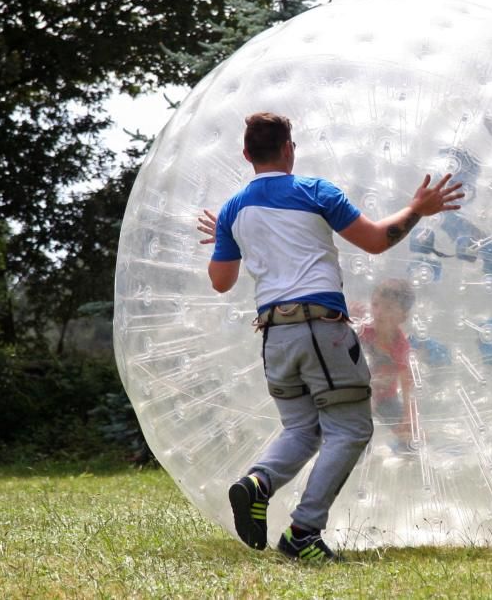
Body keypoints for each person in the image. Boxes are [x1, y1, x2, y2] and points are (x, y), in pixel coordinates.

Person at [197, 112, 462, 562]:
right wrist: (417, 209)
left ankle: (257, 483)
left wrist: (231, 236)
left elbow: (221, 281)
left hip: (274, 337)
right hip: (319, 329)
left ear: (246, 155)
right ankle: (303, 531)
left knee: (302, 427)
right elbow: (377, 240)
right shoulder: (314, 191)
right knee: (352, 427)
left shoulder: (233, 209)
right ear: (288, 149)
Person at [360, 278, 418, 451]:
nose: (379, 312)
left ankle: (401, 450)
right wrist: (346, 315)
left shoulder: (400, 345)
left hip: (386, 398)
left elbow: (407, 385)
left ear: (403, 316)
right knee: (357, 441)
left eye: (388, 308)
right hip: (358, 395)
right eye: (375, 304)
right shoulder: (362, 331)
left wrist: (409, 417)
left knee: (410, 440)